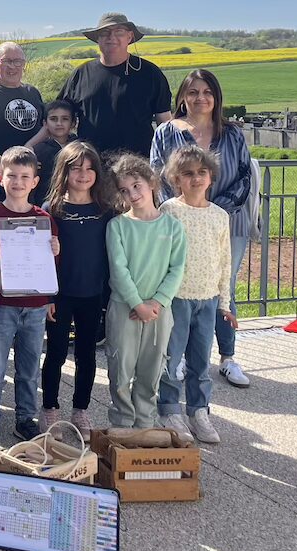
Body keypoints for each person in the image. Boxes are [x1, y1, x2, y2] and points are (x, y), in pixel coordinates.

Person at [150, 69, 252, 388]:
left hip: (226, 221)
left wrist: (213, 210)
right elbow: (156, 175)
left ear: (216, 97)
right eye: (193, 92)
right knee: (179, 285)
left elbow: (245, 176)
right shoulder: (166, 132)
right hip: (178, 223)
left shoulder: (232, 133)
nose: (200, 98)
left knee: (223, 284)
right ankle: (179, 355)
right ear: (182, 97)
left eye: (207, 92)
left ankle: (228, 357)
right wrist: (183, 211)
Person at [0, 147, 60, 451]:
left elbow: (50, 266)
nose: (18, 182)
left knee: (29, 367)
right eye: (12, 176)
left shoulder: (44, 220)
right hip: (1, 304)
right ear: (0, 178)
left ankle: (25, 418)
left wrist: (55, 252)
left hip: (35, 306)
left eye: (25, 176)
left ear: (35, 181)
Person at [39, 142, 117, 440]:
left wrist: (108, 297)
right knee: (56, 353)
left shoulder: (105, 210)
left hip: (92, 293)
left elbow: (110, 256)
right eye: (76, 169)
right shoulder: (52, 209)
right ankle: (50, 408)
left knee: (86, 355)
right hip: (60, 295)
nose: (83, 174)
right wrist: (48, 296)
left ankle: (80, 410)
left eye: (89, 168)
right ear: (64, 171)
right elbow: (42, 258)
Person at [157, 146, 235, 444]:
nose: (196, 178)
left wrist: (224, 303)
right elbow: (161, 256)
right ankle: (169, 409)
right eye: (188, 173)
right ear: (176, 179)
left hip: (208, 298)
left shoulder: (219, 216)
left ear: (211, 177)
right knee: (171, 358)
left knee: (201, 361)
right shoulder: (170, 211)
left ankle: (199, 411)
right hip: (176, 298)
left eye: (202, 172)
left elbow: (225, 260)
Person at [106, 154, 186, 429]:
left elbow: (177, 268)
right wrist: (137, 304)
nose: (132, 194)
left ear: (151, 182)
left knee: (152, 369)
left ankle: (144, 423)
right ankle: (122, 422)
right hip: (124, 308)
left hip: (158, 312)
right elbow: (118, 269)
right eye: (124, 190)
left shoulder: (173, 227)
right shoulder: (117, 226)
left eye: (136, 186)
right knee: (121, 368)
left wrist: (157, 303)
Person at [57, 13, 172, 156]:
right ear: (97, 38)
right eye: (105, 32)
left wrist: (169, 159)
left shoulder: (150, 73)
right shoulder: (81, 74)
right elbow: (59, 115)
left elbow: (164, 122)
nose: (111, 37)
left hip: (138, 163)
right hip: (90, 164)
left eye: (119, 32)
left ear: (129, 37)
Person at [31, 100, 78, 206]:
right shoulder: (38, 151)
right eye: (53, 119)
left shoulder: (81, 148)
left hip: (75, 202)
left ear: (73, 123)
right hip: (46, 203)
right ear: (45, 123)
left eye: (65, 119)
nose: (59, 123)